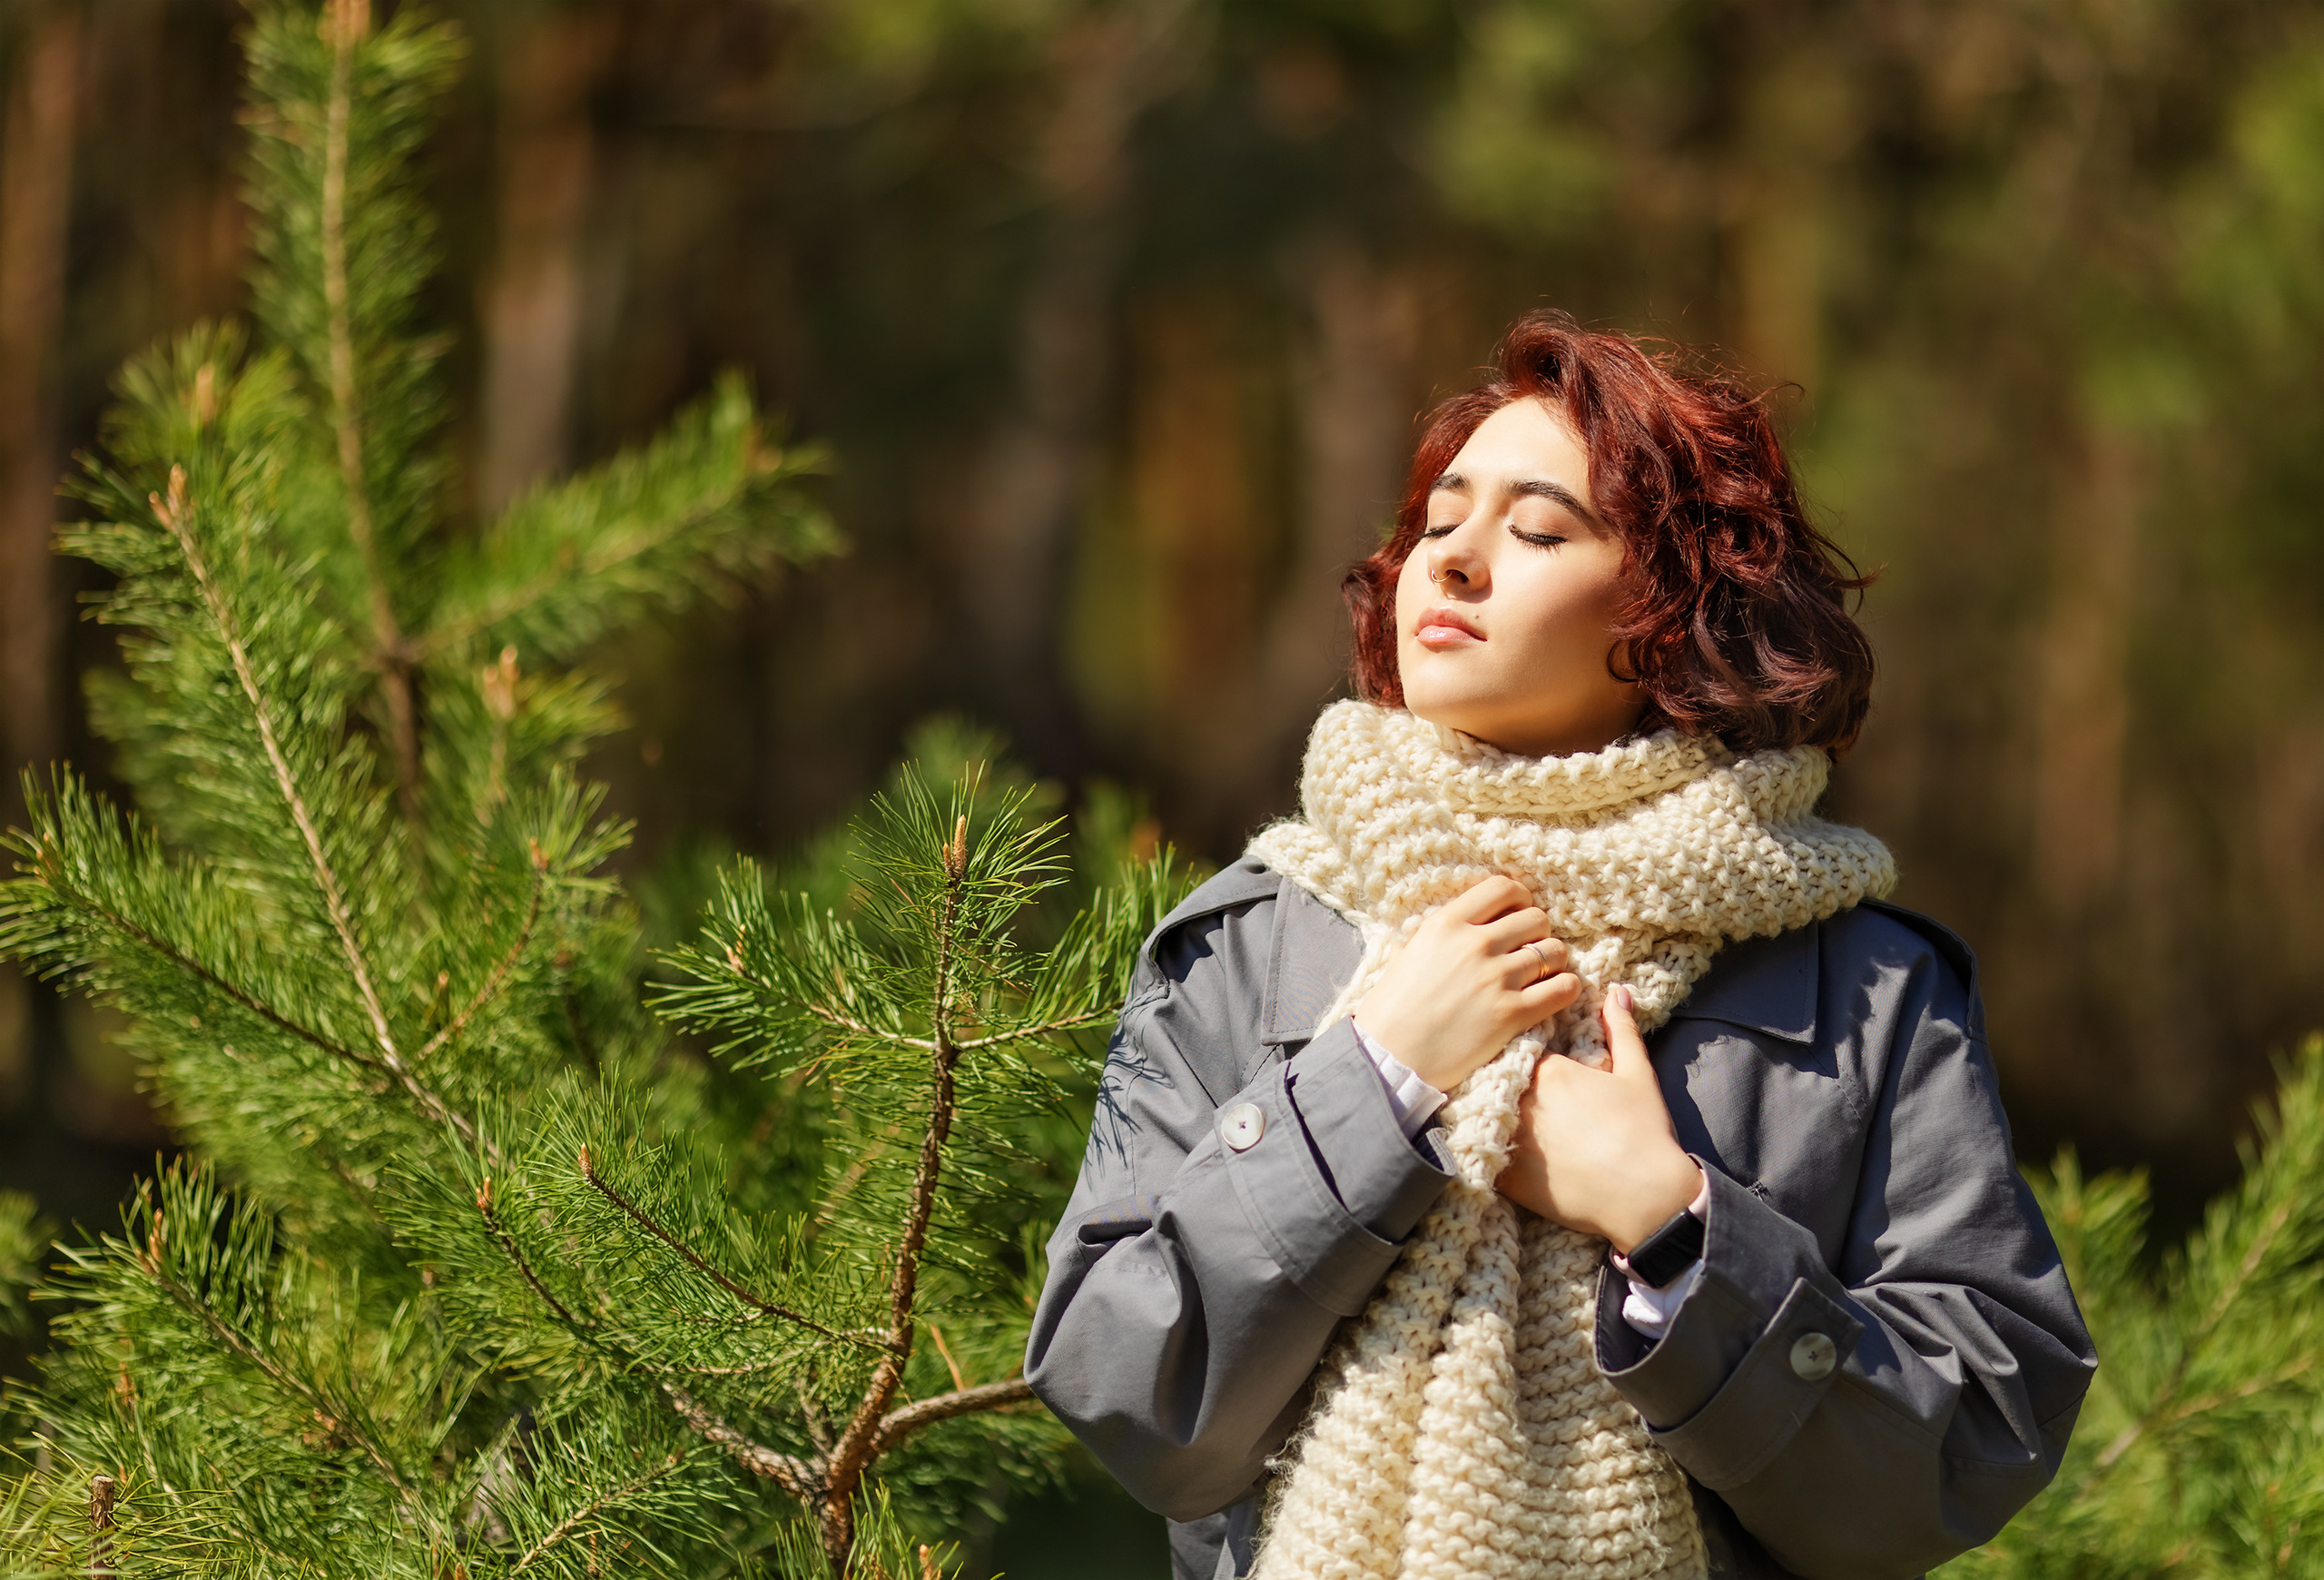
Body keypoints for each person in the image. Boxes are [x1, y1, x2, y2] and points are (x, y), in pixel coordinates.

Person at [1024, 311, 2096, 1580]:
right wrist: (1374, 1088)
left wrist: (1677, 1228)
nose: (1457, 564)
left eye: (1537, 531)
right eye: (1438, 526)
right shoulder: (1249, 944)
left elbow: (1977, 1441)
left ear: (1673, 617)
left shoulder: (1863, 986)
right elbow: (1124, 1391)